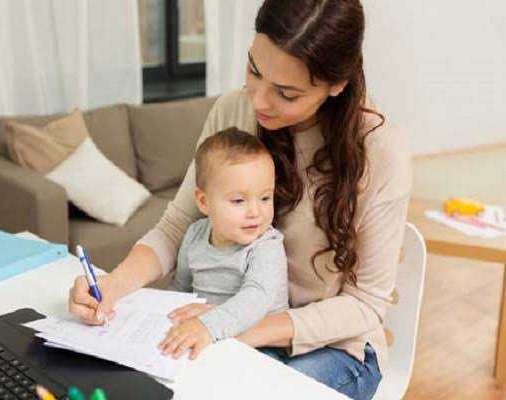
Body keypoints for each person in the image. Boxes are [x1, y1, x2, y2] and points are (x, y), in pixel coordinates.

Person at [68, 0, 411, 398]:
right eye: (253, 70)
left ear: (336, 85)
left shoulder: (379, 153)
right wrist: (112, 285)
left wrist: (240, 327)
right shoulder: (234, 109)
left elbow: (365, 305)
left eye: (285, 93)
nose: (259, 100)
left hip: (331, 346)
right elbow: (180, 224)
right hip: (229, 323)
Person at [157, 128, 289, 360]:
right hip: (204, 337)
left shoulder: (266, 246)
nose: (255, 212)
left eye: (265, 198)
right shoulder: (195, 235)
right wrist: (166, 320)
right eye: (239, 201)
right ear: (204, 201)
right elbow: (180, 289)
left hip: (259, 347)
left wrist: (206, 327)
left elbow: (255, 299)